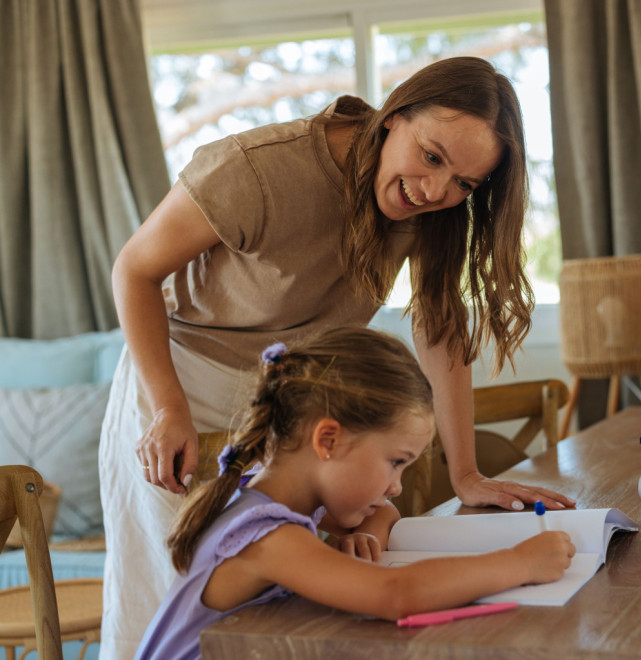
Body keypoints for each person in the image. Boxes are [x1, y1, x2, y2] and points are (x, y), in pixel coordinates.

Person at [99, 56, 574, 658]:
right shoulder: (254, 171)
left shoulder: (433, 213)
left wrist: (465, 475)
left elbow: (440, 330)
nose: (435, 191)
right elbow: (133, 271)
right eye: (431, 157)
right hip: (175, 388)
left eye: (465, 184)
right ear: (393, 117)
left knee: (288, 610)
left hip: (283, 407)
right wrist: (168, 408)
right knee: (167, 599)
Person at [133, 327, 576, 660]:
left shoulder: (266, 496)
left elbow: (384, 511)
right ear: (328, 441)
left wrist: (368, 531)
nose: (396, 484)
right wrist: (519, 562)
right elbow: (396, 594)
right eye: (395, 461)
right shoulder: (266, 536)